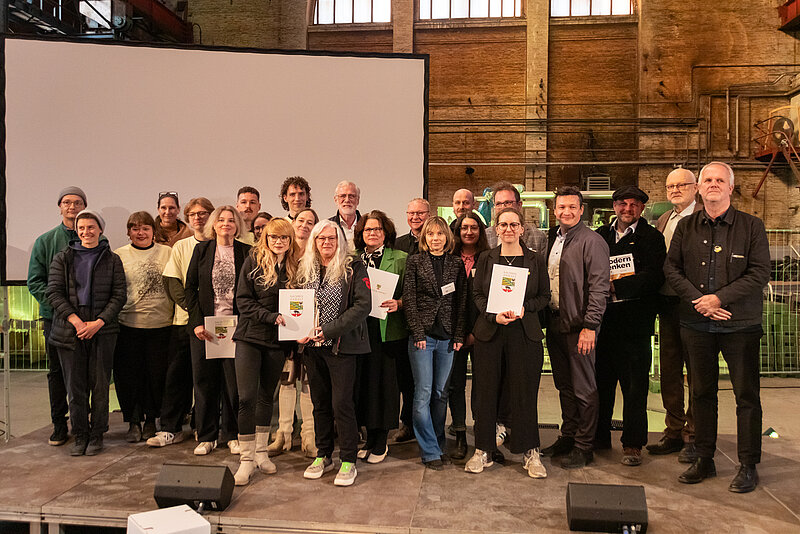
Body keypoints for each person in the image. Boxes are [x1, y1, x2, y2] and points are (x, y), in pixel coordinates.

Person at [665, 162, 769, 493]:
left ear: (730, 188)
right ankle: (704, 458)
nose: (713, 184)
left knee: (746, 395)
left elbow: (759, 272)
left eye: (720, 180)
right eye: (707, 179)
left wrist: (719, 299)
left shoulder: (751, 226)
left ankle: (748, 465)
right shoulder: (686, 227)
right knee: (701, 393)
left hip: (740, 325)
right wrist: (700, 301)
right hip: (696, 323)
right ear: (699, 188)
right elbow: (672, 269)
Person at [466, 207, 550, 478]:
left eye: (514, 224)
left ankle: (530, 451)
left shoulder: (535, 260)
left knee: (524, 394)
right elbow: (477, 294)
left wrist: (525, 308)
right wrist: (493, 315)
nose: (509, 229)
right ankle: (483, 450)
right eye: (503, 224)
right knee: (486, 392)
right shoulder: (485, 258)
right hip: (491, 332)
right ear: (496, 229)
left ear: (522, 228)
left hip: (524, 333)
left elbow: (544, 296)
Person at [594, 186, 666, 466]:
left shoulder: (652, 238)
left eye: (633, 204)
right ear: (614, 206)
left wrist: (616, 286)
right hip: (603, 323)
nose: (627, 209)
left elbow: (654, 276)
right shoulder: (600, 235)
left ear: (641, 208)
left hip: (636, 325)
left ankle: (633, 444)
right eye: (622, 203)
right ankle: (599, 437)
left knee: (634, 388)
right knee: (601, 385)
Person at [46, 209, 126, 456]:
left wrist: (99, 322)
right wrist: (76, 321)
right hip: (70, 330)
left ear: (100, 229)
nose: (86, 232)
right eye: (81, 228)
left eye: (91, 227)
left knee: (100, 386)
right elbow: (53, 293)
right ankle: (80, 434)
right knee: (75, 387)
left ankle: (97, 434)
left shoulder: (112, 260)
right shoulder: (62, 258)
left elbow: (119, 295)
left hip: (103, 330)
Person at [298, 220, 371, 487]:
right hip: (312, 348)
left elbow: (362, 306)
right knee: (320, 404)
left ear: (340, 240)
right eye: (321, 238)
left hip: (341, 347)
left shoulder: (353, 267)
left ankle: (348, 460)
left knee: (342, 404)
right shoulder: (305, 267)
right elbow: (296, 304)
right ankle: (324, 455)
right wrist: (296, 328)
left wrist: (327, 331)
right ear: (314, 242)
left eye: (332, 238)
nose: (326, 242)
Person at [541, 186, 610, 469]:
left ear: (582, 210)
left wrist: (590, 326)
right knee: (564, 386)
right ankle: (568, 435)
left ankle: (584, 445)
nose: (566, 212)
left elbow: (599, 288)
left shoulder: (592, 241)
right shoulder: (553, 239)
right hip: (555, 322)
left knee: (584, 388)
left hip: (580, 327)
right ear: (554, 210)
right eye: (561, 207)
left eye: (572, 207)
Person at [231, 218, 300, 485]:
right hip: (249, 338)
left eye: (284, 237)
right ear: (266, 238)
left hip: (278, 342)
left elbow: (300, 307)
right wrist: (271, 317)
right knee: (246, 398)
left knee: (266, 398)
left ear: (290, 240)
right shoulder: (253, 261)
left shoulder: (296, 266)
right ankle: (246, 460)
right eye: (273, 237)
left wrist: (293, 342)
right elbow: (243, 301)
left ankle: (261, 453)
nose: (278, 242)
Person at [148, 197, 214, 448]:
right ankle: (170, 428)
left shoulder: (222, 245)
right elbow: (172, 282)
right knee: (177, 376)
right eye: (193, 214)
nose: (198, 217)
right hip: (184, 322)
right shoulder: (181, 247)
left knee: (208, 380)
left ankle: (203, 427)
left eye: (203, 213)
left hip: (217, 324)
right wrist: (195, 310)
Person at [184, 206, 251, 456]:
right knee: (204, 383)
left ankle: (232, 435)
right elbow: (190, 288)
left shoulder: (247, 252)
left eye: (231, 220)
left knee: (234, 385)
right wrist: (196, 323)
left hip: (236, 329)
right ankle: (207, 436)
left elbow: (251, 291)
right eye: (221, 220)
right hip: (205, 330)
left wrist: (244, 324)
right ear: (213, 224)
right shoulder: (201, 250)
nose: (226, 224)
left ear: (237, 225)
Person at [647, 168, 702, 462]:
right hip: (667, 303)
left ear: (696, 188)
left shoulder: (705, 217)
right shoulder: (665, 219)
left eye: (682, 185)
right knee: (670, 369)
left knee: (696, 371)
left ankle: (694, 435)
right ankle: (674, 430)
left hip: (694, 304)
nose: (676, 190)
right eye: (671, 186)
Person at [402, 216, 466, 470]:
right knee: (423, 393)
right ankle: (429, 451)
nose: (435, 238)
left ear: (447, 237)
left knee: (441, 394)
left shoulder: (456, 263)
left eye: (440, 234)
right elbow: (409, 299)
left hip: (447, 338)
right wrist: (417, 333)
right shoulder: (415, 262)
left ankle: (439, 444)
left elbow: (461, 302)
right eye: (430, 234)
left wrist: (459, 335)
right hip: (423, 338)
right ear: (424, 238)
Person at [28, 186, 89, 446]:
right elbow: (35, 281)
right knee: (57, 372)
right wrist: (62, 309)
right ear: (60, 207)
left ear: (84, 206)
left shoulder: (95, 238)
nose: (72, 207)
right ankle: (59, 424)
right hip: (55, 319)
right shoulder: (45, 241)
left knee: (84, 372)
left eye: (77, 202)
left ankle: (83, 423)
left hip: (87, 321)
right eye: (67, 202)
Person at [113, 211, 174, 443]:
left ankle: (151, 420)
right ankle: (133, 421)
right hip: (128, 325)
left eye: (145, 228)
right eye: (135, 228)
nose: (141, 233)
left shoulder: (167, 253)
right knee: (129, 377)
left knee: (156, 376)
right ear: (129, 232)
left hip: (161, 325)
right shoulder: (118, 255)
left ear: (153, 231)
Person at [353, 210, 408, 463]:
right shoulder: (353, 259)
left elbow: (413, 292)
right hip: (359, 331)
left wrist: (400, 302)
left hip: (388, 331)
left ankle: (381, 441)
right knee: (364, 385)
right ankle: (369, 437)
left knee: (384, 385)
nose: (372, 233)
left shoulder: (401, 258)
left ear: (386, 233)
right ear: (361, 234)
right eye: (368, 229)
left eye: (377, 229)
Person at [269, 207, 319, 457]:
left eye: (310, 222)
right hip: (287, 326)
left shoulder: (317, 255)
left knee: (308, 381)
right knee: (287, 380)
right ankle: (283, 434)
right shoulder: (283, 254)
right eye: (301, 220)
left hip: (311, 327)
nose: (304, 225)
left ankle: (309, 435)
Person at [447, 211, 489, 460]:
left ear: (480, 231)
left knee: (483, 386)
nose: (469, 232)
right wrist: (459, 333)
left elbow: (491, 298)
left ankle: (484, 435)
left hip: (483, 332)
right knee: (455, 384)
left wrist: (475, 332)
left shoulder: (489, 258)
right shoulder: (449, 258)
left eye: (474, 227)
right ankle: (460, 434)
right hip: (454, 333)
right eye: (464, 228)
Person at [393, 197, 431, 441]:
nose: (415, 217)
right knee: (406, 379)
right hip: (401, 321)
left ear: (429, 214)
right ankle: (407, 424)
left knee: (428, 384)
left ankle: (429, 429)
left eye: (420, 213)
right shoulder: (397, 244)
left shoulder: (437, 242)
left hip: (429, 323)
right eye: (411, 213)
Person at [485, 182, 547, 257]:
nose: (503, 207)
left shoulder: (538, 237)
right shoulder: (485, 236)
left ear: (519, 205)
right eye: (498, 204)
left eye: (507, 202)